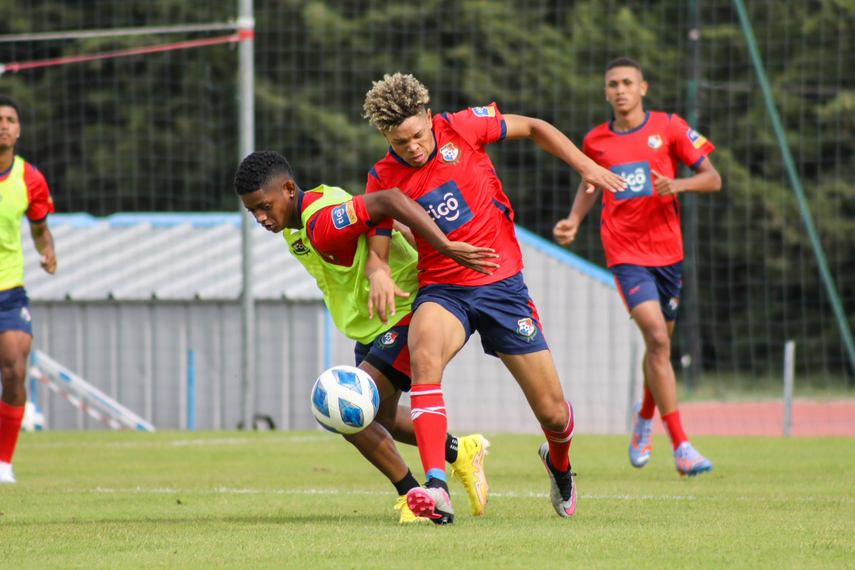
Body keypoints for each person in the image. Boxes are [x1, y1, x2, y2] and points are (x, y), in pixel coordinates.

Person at [362, 73, 628, 523]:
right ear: (385, 137)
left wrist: (584, 165)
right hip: (443, 289)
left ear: (430, 118)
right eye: (398, 140)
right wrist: (378, 272)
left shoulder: (463, 126)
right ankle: (437, 486)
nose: (411, 147)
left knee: (554, 414)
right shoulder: (382, 179)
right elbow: (377, 251)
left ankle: (558, 463)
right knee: (424, 355)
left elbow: (537, 127)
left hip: (502, 287)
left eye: (417, 135)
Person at [233, 150, 497, 523]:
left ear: (289, 189)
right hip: (373, 325)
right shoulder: (295, 228)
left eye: (264, 206)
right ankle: (460, 450)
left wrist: (428, 250)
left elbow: (387, 200)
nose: (260, 218)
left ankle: (417, 499)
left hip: (403, 313)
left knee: (343, 408)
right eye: (252, 212)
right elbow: (376, 216)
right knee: (382, 418)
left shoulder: (323, 219)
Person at [553, 57, 721, 477]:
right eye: (613, 84)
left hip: (669, 253)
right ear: (606, 92)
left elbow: (712, 178)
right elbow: (590, 182)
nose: (620, 90)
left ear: (643, 87)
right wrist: (574, 220)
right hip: (625, 253)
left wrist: (678, 183)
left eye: (628, 82)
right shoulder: (596, 140)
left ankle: (644, 416)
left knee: (660, 345)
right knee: (657, 339)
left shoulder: (670, 127)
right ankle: (682, 446)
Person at [0, 95, 57, 484]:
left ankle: (3, 464)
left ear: (19, 130)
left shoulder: (30, 178)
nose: (3, 124)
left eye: (10, 119)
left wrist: (48, 251)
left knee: (16, 371)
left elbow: (39, 229)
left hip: (9, 288)